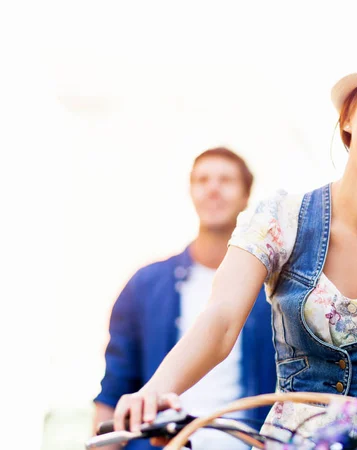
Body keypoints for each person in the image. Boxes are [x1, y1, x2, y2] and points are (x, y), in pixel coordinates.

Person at [112, 37, 357, 447]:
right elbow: (220, 319)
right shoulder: (278, 220)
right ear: (347, 117)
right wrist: (156, 391)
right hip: (293, 441)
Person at [93, 147, 277, 450]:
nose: (213, 188)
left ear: (247, 196)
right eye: (202, 180)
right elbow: (114, 391)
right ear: (191, 192)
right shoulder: (144, 285)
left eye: (226, 180)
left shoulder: (273, 289)